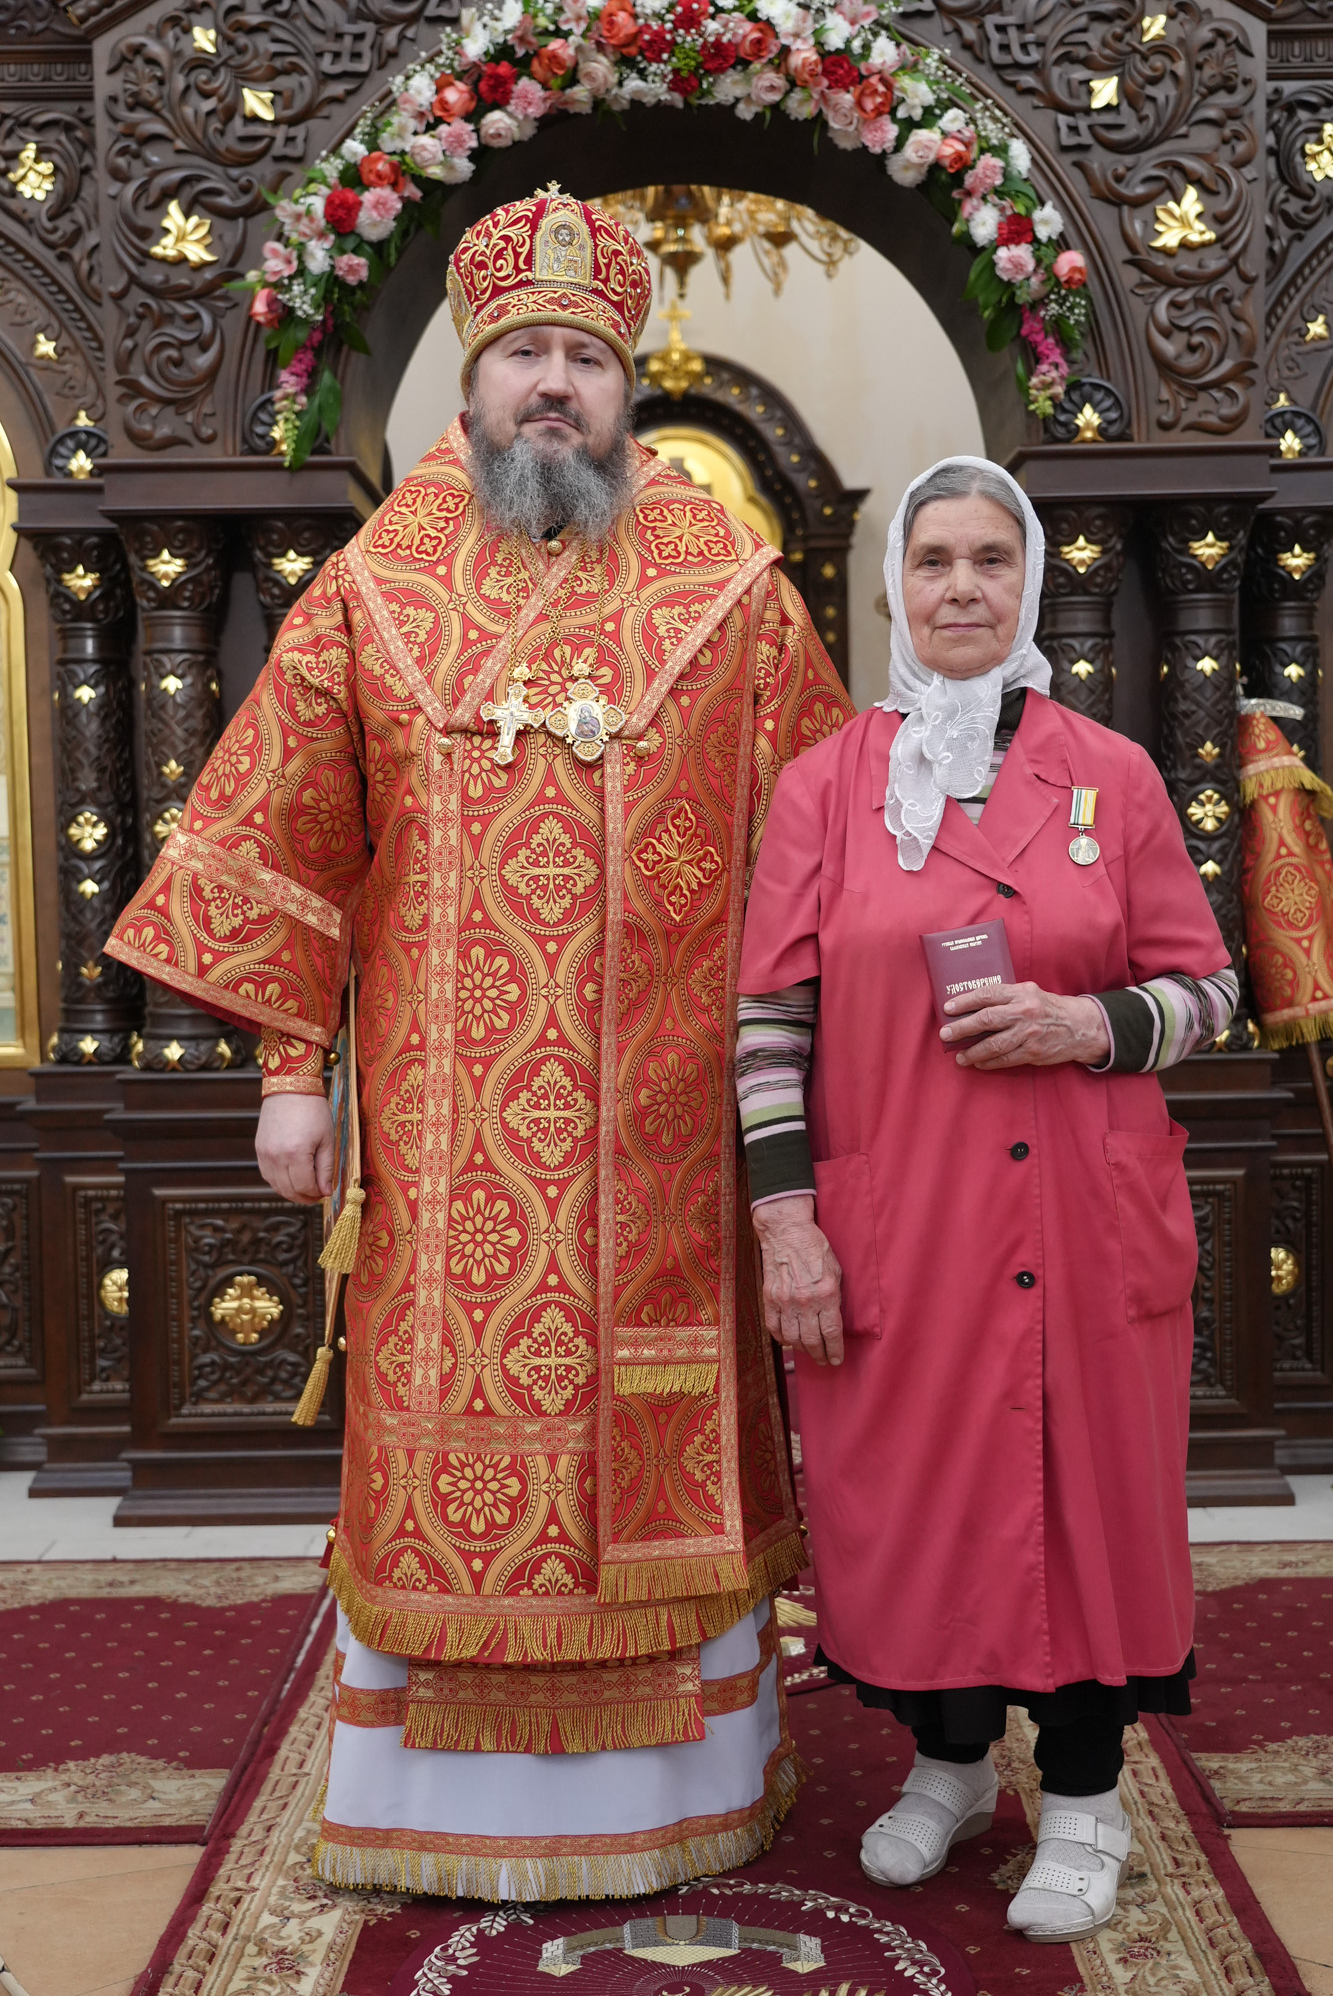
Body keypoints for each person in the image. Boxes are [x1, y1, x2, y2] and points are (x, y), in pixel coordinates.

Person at [106, 186, 854, 1899]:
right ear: (471, 379)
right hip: (444, 1162)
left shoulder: (733, 592)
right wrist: (288, 1079)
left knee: (655, 1445)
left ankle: (681, 1787)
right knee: (447, 1445)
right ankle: (437, 1803)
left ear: (626, 390)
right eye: (524, 352)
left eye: (585, 357)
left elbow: (822, 860)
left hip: (668, 1150)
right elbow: (283, 838)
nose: (554, 385)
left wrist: (819, 1118)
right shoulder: (371, 589)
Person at [736, 457, 1237, 1944]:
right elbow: (767, 1022)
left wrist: (1092, 1024)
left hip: (1083, 1216)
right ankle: (949, 1766)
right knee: (918, 1501)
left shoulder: (1113, 774)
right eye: (934, 561)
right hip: (905, 1219)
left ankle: (1083, 1800)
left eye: (989, 560)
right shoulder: (825, 784)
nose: (961, 587)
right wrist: (785, 1223)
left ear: (1028, 582)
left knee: (1086, 1502)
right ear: (893, 587)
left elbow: (1209, 988)